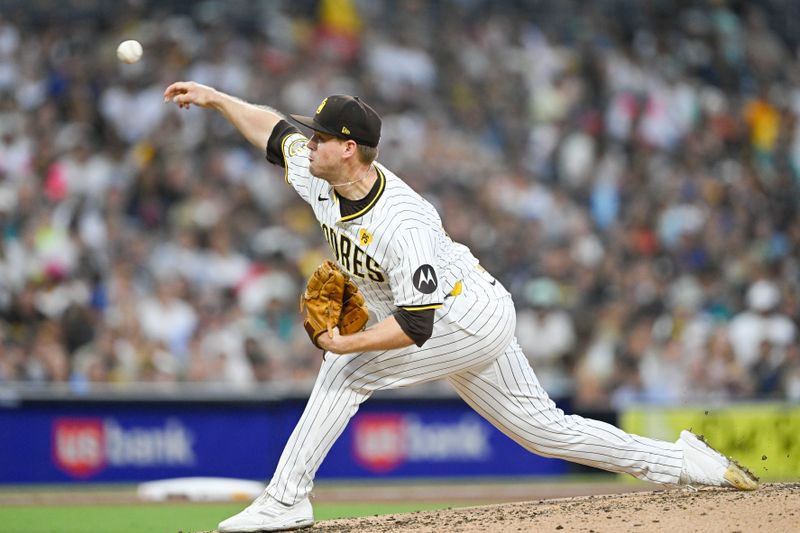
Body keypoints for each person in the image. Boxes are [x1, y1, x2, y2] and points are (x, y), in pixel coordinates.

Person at [162, 81, 758, 532]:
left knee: (346, 370)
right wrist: (216, 99)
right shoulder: (322, 174)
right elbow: (272, 131)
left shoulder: (404, 222)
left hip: (461, 316)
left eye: (320, 137)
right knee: (543, 431)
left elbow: (416, 326)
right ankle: (685, 463)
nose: (308, 142)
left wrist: (347, 345)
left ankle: (286, 499)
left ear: (350, 149)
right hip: (462, 307)